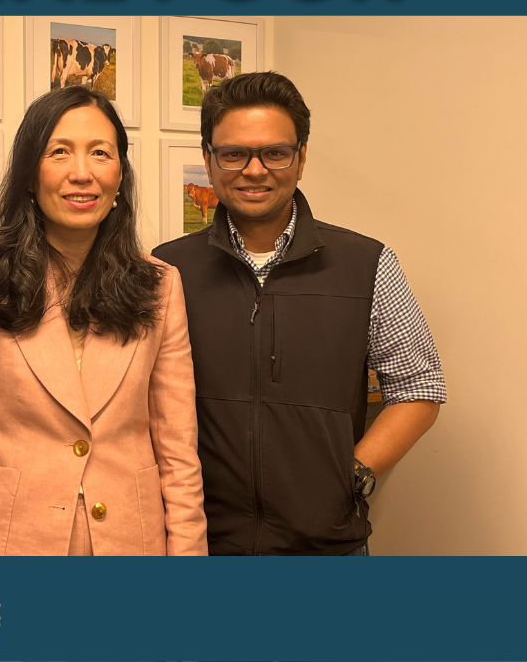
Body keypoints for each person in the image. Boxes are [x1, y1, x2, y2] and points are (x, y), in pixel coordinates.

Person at [152, 72, 446, 556]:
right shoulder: (166, 270)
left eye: (275, 152)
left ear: (301, 157)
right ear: (208, 159)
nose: (254, 170)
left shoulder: (367, 264)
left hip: (327, 549)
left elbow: (419, 388)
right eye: (233, 154)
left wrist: (352, 476)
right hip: (198, 544)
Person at [0, 86, 207, 556]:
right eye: (59, 152)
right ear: (30, 175)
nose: (82, 173)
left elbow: (178, 450)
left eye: (100, 153)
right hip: (10, 544)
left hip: (131, 544)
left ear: (119, 175)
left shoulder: (160, 284)